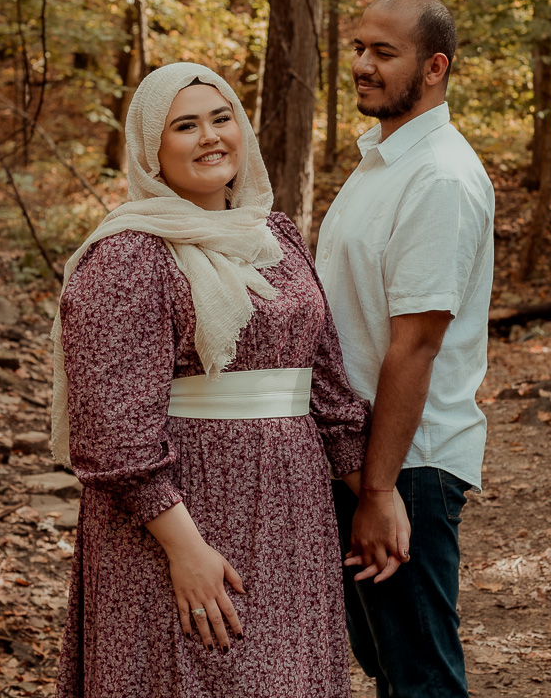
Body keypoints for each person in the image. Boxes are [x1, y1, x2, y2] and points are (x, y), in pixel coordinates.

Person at [50, 62, 373, 698]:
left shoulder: (274, 236)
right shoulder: (126, 256)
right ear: (151, 148)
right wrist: (184, 550)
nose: (210, 137)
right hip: (177, 518)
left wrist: (376, 496)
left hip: (293, 511)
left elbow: (327, 385)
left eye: (221, 118)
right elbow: (113, 433)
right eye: (185, 126)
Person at [316, 0, 496, 698]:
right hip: (362, 461)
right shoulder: (380, 162)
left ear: (434, 67)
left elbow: (415, 346)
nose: (361, 64)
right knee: (389, 666)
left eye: (383, 52)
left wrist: (380, 489)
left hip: (406, 470)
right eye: (358, 48)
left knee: (421, 679)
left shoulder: (441, 178)